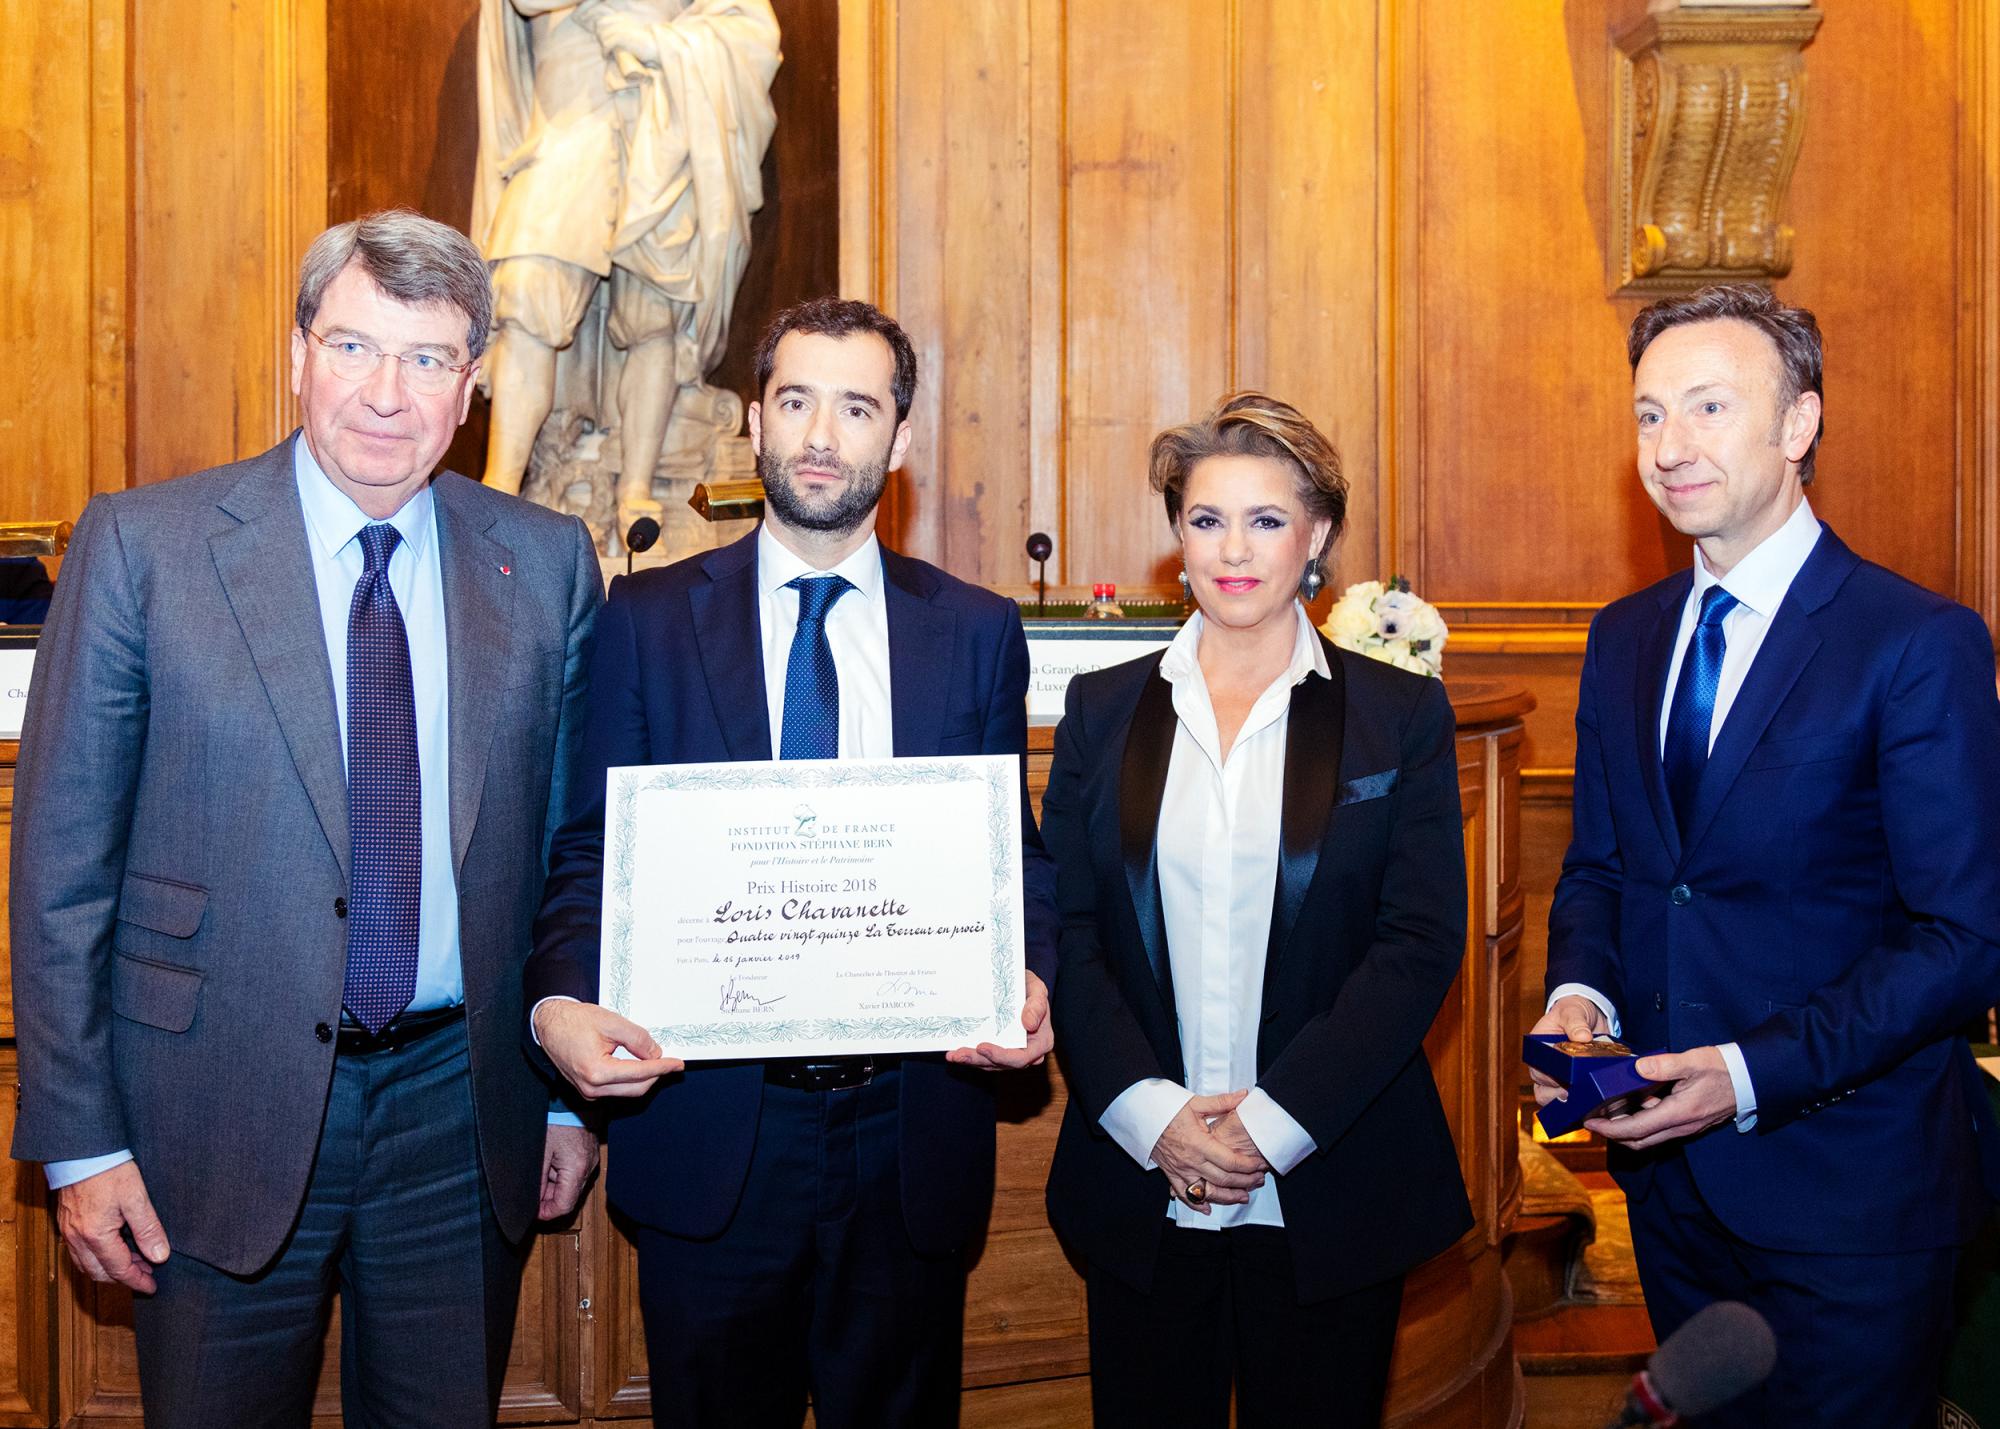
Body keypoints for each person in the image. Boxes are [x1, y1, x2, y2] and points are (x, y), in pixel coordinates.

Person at [8, 211, 605, 1428]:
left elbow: (569, 853)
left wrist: (558, 1098)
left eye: (428, 358)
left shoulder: (543, 563)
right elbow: (60, 870)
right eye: (353, 346)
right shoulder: (145, 547)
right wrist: (80, 1143)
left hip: (459, 1108)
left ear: (474, 385)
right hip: (207, 1116)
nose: (387, 393)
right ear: (297, 353)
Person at [525, 296, 1060, 1429]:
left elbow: (1007, 851)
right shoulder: (645, 620)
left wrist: (1032, 974)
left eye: (856, 406)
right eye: (798, 402)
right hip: (712, 1131)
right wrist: (564, 997)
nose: (823, 435)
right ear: (755, 426)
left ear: (898, 440)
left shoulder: (972, 630)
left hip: (907, 1136)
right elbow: (588, 850)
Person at [1537, 282, 2000, 1425]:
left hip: (1852, 1195)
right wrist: (1577, 998)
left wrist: (1740, 1074)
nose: (1668, 445)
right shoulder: (1623, 634)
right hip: (1670, 1191)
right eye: (1647, 414)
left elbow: (1962, 940)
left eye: (1706, 406)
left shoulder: (1914, 642)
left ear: (1798, 426)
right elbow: (1604, 865)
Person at [1039, 393, 1473, 1428]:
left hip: (1329, 1178)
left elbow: (1416, 945)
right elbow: (1070, 931)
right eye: (1205, 519)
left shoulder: (1395, 714)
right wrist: (1153, 1120)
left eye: (1265, 520)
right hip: (1144, 1182)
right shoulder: (1102, 710)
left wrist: (1267, 1128)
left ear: (1315, 534)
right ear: (1175, 534)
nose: (1232, 550)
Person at [474, 0, 781, 537]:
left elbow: (749, 31)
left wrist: (661, 45)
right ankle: (500, 485)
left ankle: (635, 489)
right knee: (529, 292)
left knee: (653, 312)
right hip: (567, 126)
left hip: (660, 131)